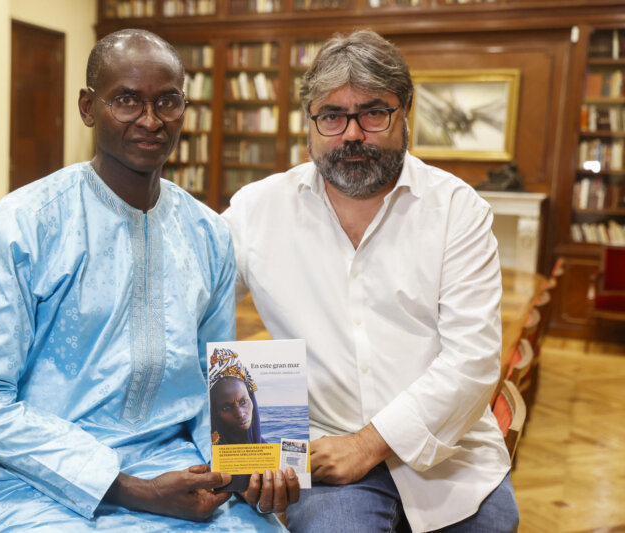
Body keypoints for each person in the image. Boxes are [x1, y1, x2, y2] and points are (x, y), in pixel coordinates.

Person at [0, 29, 297, 532]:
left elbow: (217, 386)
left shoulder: (208, 234)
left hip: (172, 463)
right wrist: (132, 490)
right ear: (88, 107)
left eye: (168, 102)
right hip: (27, 475)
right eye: (126, 100)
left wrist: (251, 469)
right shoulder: (21, 225)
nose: (150, 120)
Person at [222, 29, 519, 533]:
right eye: (332, 116)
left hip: (450, 455)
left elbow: (472, 361)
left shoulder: (457, 210)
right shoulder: (256, 210)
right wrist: (247, 448)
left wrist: (367, 445)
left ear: (406, 113)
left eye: (373, 113)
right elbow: (194, 315)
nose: (352, 134)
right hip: (323, 449)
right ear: (308, 121)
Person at [209, 347, 266, 445]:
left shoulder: (264, 446)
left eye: (243, 402)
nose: (240, 414)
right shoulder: (209, 450)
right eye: (226, 408)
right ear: (214, 412)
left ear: (251, 399)